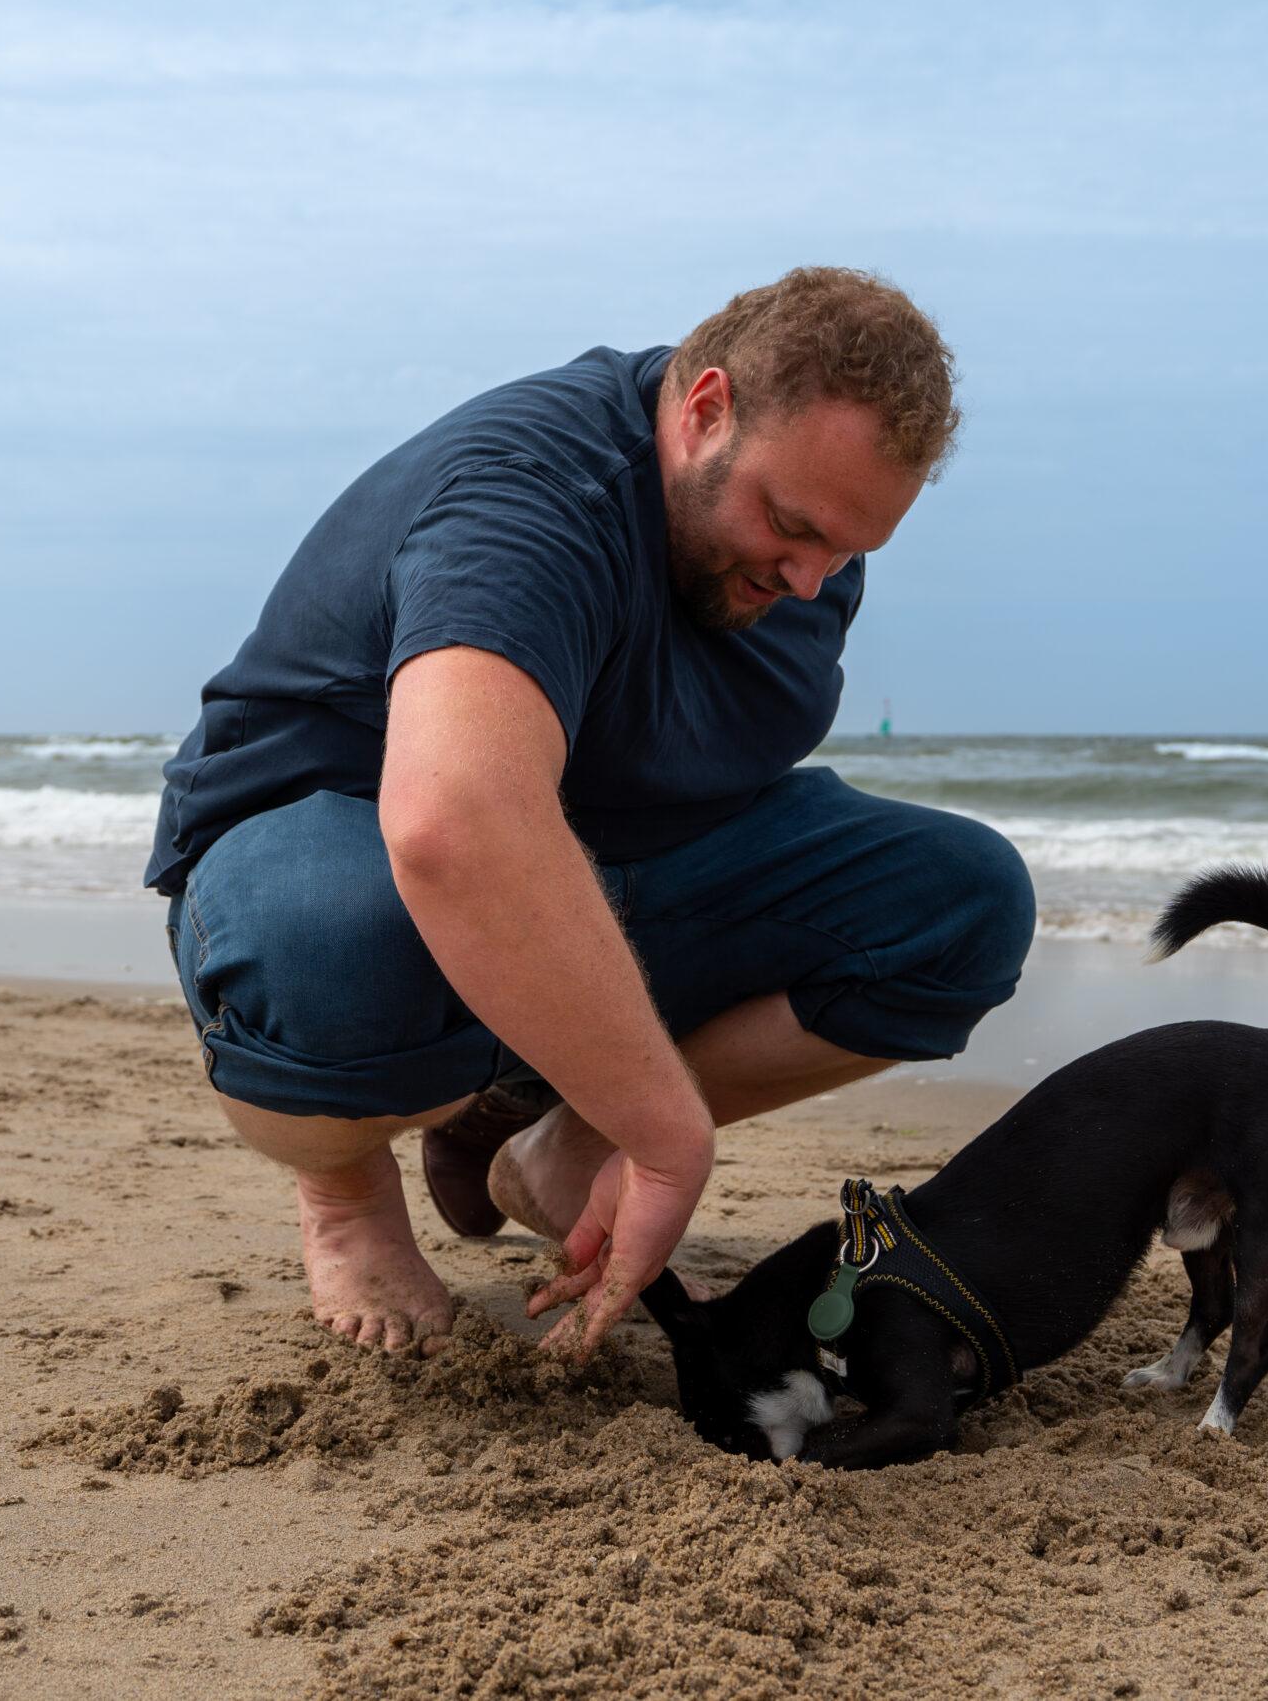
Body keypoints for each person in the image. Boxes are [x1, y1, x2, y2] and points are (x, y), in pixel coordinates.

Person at [148, 267, 1034, 1360]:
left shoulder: (795, 560)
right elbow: (455, 822)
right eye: (790, 525)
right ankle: (345, 1193)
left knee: (965, 905)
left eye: (848, 550)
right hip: (326, 840)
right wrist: (667, 1139)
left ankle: (558, 1144)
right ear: (704, 410)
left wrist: (618, 1103)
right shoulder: (533, 497)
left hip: (615, 856)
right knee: (342, 949)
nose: (811, 581)